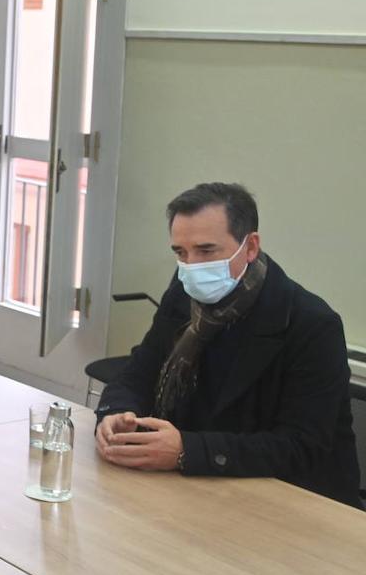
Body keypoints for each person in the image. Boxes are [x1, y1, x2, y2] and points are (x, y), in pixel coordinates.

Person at [96, 182, 361, 508]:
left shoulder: (311, 323)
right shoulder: (183, 295)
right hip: (200, 489)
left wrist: (186, 451)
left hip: (296, 503)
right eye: (181, 252)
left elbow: (302, 445)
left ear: (250, 247)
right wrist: (117, 414)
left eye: (206, 251)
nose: (191, 266)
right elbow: (140, 369)